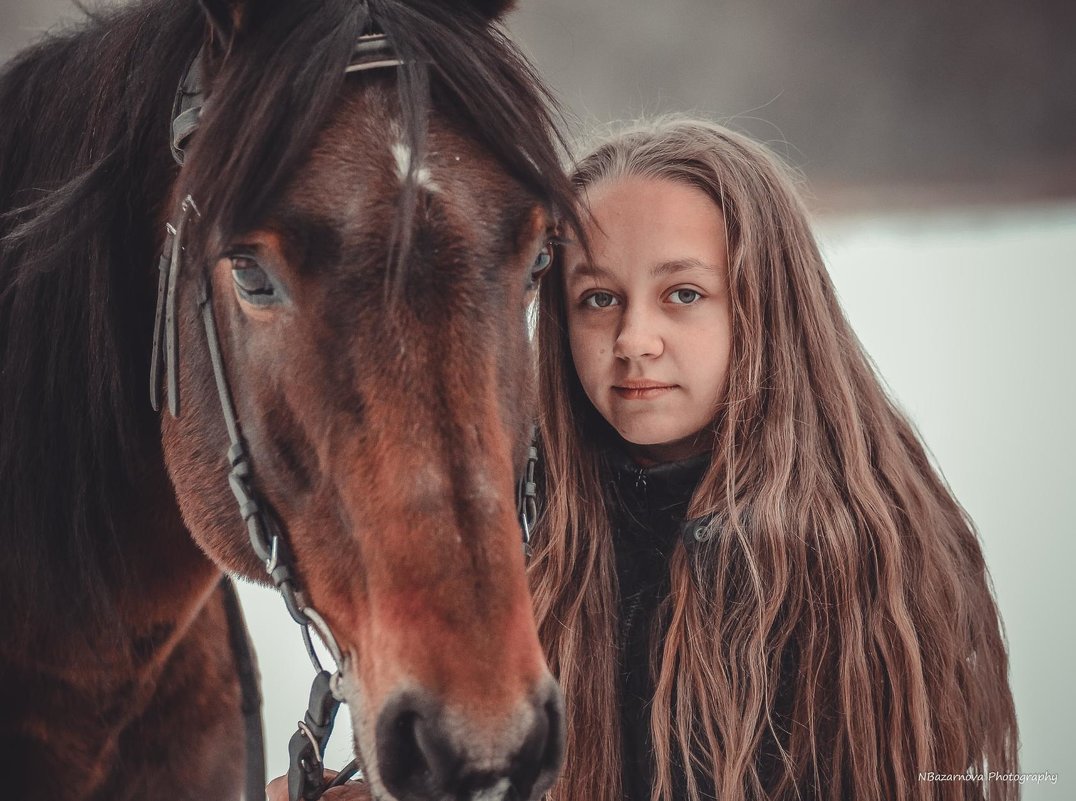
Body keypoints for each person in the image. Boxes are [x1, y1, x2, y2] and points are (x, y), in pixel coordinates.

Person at [268, 117, 1018, 801]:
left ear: (766, 305)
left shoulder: (859, 561)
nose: (634, 339)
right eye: (598, 299)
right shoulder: (538, 533)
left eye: (683, 294)